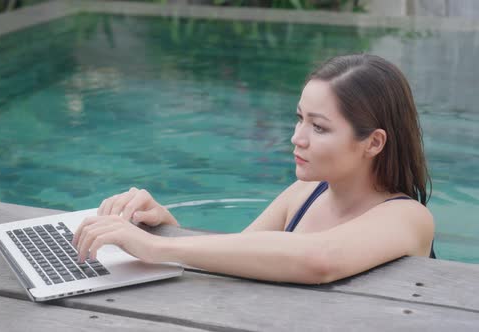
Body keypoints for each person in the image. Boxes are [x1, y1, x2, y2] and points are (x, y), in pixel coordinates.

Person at [72, 54, 436, 284]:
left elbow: (320, 260)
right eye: (299, 119)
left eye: (319, 127)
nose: (297, 138)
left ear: (373, 143)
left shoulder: (408, 216)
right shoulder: (305, 195)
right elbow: (235, 254)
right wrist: (166, 228)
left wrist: (152, 247)